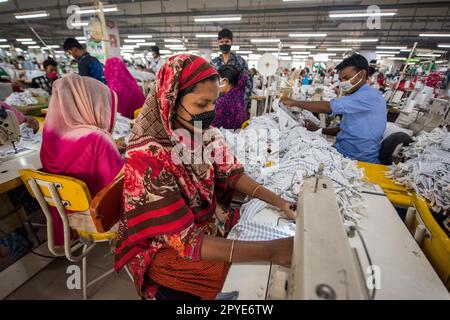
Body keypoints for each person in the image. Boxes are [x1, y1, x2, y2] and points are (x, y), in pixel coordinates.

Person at [114, 54, 294, 300]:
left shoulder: (203, 133)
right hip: (166, 248)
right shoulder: (148, 157)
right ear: (171, 99)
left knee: (258, 258)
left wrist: (280, 202)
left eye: (213, 103)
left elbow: (231, 172)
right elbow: (185, 241)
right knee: (252, 278)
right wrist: (272, 251)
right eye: (201, 105)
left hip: (204, 225)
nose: (210, 112)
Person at [40, 73, 124, 245]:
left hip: (68, 216)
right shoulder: (97, 138)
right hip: (98, 217)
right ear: (90, 103)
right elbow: (121, 182)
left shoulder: (50, 135)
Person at [281, 54, 387, 164]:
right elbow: (344, 128)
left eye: (346, 78)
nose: (343, 83)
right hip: (341, 152)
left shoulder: (369, 96)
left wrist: (294, 102)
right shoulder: (356, 96)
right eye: (341, 80)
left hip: (359, 161)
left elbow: (329, 107)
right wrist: (319, 130)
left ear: (362, 74)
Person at [211, 29, 253, 107]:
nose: (224, 44)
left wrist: (243, 100)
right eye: (222, 42)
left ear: (231, 42)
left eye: (227, 41)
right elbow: (210, 83)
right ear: (218, 43)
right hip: (218, 103)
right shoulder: (213, 63)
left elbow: (248, 82)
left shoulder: (240, 61)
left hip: (236, 103)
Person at [212, 65, 248, 129]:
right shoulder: (239, 96)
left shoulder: (222, 102)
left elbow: (212, 127)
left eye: (216, 80)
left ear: (225, 81)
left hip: (224, 136)